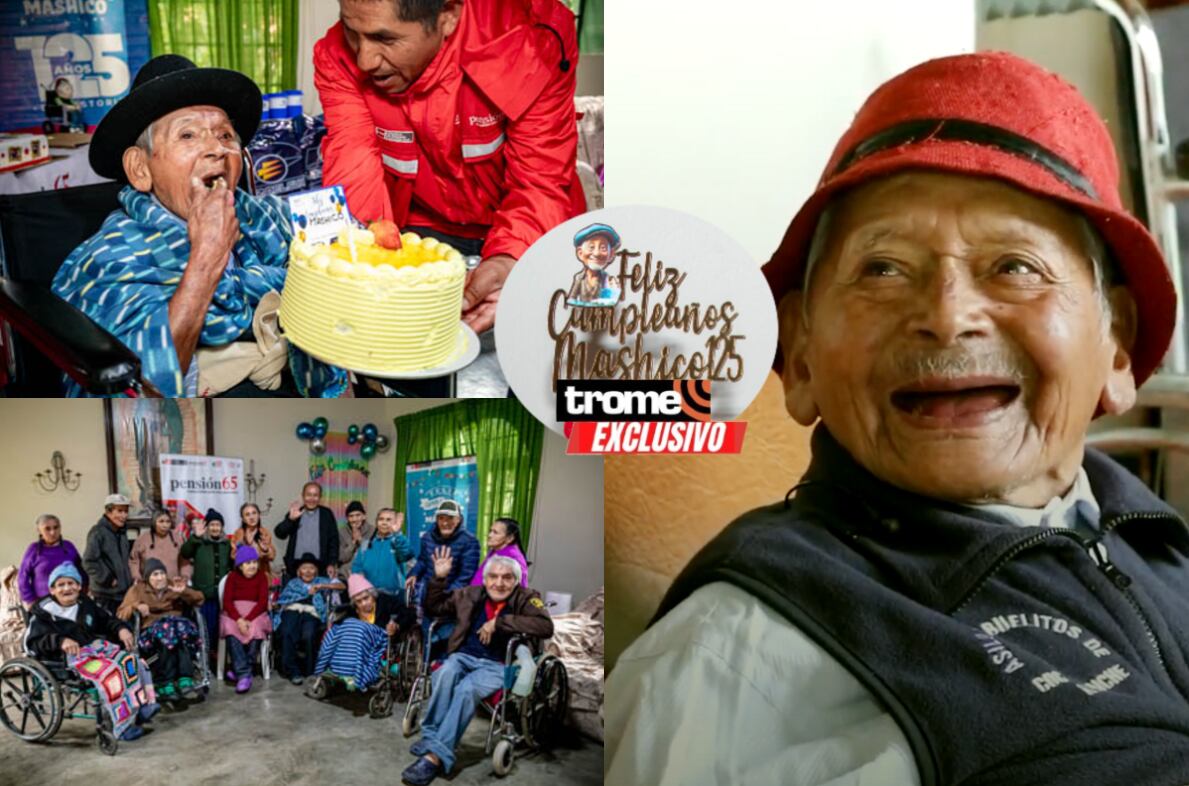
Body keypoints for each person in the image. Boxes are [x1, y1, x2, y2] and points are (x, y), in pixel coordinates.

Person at [605, 52, 1189, 784]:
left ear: (1117, 344)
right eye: (881, 269)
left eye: (1014, 266)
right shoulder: (730, 663)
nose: (947, 316)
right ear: (802, 355)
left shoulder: (1153, 540)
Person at [51, 54, 348, 397]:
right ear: (140, 169)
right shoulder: (110, 259)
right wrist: (207, 257)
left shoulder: (266, 216)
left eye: (225, 134)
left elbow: (353, 251)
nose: (216, 149)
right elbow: (135, 393)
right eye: (188, 135)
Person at [313, 0, 587, 334]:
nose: (364, 60)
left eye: (385, 39)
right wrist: (362, 266)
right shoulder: (337, 55)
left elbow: (539, 179)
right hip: (421, 231)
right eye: (351, 32)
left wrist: (510, 257)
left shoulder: (531, 39)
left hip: (530, 227)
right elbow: (353, 167)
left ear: (448, 15)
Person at [400, 550, 553, 785]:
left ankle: (435, 756)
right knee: (443, 674)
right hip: (464, 656)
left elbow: (545, 626)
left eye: (507, 577)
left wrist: (499, 623)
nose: (499, 583)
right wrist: (439, 579)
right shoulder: (470, 594)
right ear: (485, 579)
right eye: (493, 576)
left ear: (516, 580)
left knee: (467, 689)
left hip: (499, 664)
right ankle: (431, 736)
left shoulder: (526, 598)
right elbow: (435, 607)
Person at [25, 563, 161, 742]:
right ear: (52, 590)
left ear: (79, 586)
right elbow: (33, 641)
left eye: (71, 583)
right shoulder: (42, 613)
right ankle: (123, 726)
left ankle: (143, 706)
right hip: (68, 659)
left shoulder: (85, 604)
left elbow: (107, 620)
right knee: (111, 674)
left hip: (95, 649)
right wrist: (60, 641)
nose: (67, 588)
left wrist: (121, 629)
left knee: (132, 661)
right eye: (61, 585)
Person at [117, 557, 204, 701]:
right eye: (155, 574)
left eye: (162, 573)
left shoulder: (173, 585)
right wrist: (136, 606)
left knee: (178, 631)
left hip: (177, 629)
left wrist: (184, 592)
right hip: (151, 631)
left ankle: (185, 679)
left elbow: (200, 599)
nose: (160, 578)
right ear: (147, 577)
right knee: (166, 632)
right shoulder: (137, 590)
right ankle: (166, 682)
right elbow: (121, 613)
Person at [314, 573, 416, 691]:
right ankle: (340, 668)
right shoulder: (352, 611)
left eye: (366, 598)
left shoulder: (385, 601)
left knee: (359, 629)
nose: (364, 603)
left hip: (380, 640)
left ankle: (355, 673)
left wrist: (396, 625)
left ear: (372, 594)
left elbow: (409, 614)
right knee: (339, 629)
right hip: (358, 643)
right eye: (359, 601)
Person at [275, 553, 344, 685]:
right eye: (304, 568)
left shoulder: (320, 581)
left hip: (312, 612)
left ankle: (310, 671)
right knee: (287, 631)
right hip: (292, 609)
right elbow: (284, 599)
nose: (308, 571)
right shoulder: (293, 583)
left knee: (309, 634)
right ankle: (292, 671)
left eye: (311, 568)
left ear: (316, 571)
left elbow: (342, 586)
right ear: (298, 571)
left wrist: (322, 586)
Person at [178, 508, 233, 658]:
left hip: (221, 597)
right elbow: (185, 552)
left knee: (218, 628)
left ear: (222, 527)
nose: (215, 528)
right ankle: (203, 656)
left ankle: (217, 657)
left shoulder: (227, 544)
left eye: (218, 525)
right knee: (205, 628)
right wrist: (195, 537)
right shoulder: (199, 542)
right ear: (207, 527)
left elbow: (233, 564)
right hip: (203, 596)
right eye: (212, 525)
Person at [220, 546, 273, 694]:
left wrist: (248, 619)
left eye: (255, 562)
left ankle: (241, 672)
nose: (252, 566)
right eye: (248, 563)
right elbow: (227, 602)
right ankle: (244, 673)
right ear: (240, 565)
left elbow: (262, 602)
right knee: (230, 629)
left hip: (255, 613)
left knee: (256, 629)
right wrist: (239, 620)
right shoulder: (232, 577)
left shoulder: (262, 577)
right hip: (234, 613)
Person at [406, 500, 480, 600]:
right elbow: (423, 561)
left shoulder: (470, 541)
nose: (445, 523)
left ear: (458, 520)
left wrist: (445, 596)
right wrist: (414, 574)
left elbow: (466, 576)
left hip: (452, 598)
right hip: (427, 594)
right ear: (436, 520)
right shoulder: (427, 537)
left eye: (450, 518)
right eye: (441, 518)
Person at [18, 514, 87, 609]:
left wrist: (83, 592)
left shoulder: (68, 546)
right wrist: (30, 600)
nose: (52, 532)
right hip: (43, 603)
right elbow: (22, 577)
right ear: (39, 530)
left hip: (70, 602)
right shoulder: (34, 549)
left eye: (56, 527)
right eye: (47, 529)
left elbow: (82, 571)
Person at [275, 482, 340, 579]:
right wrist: (290, 520)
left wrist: (332, 563)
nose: (312, 499)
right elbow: (279, 534)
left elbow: (333, 541)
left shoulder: (326, 514)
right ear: (303, 496)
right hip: (295, 567)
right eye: (308, 495)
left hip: (320, 567)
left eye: (315, 495)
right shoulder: (296, 512)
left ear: (320, 497)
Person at [83, 493, 134, 615]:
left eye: (126, 511)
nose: (124, 515)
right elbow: (88, 562)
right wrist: (108, 579)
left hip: (122, 594)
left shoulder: (121, 532)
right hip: (105, 595)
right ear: (108, 512)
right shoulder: (97, 533)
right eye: (120, 511)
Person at [352, 507, 416, 595]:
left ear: (395, 522)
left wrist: (397, 534)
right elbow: (356, 568)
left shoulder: (398, 542)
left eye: (388, 520)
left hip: (394, 594)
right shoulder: (366, 545)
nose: (384, 523)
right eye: (381, 519)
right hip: (370, 595)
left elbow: (407, 554)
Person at [566, 223, 622, 306]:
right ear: (580, 253)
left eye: (603, 248)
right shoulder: (579, 278)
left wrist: (614, 290)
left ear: (611, 255)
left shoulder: (608, 280)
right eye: (591, 247)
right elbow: (571, 300)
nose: (596, 253)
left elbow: (612, 302)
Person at [129, 509, 189, 581]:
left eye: (168, 522)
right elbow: (134, 561)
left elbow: (185, 560)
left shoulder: (177, 538)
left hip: (172, 583)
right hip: (148, 584)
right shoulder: (143, 539)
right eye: (161, 521)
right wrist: (137, 577)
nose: (165, 525)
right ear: (154, 522)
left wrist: (185, 576)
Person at [470, 517, 528, 588]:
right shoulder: (496, 550)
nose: (490, 535)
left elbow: (518, 588)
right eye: (490, 531)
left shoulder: (512, 557)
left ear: (510, 538)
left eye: (495, 532)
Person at [229, 502, 277, 579]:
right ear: (243, 519)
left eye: (254, 513)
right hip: (243, 576)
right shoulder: (238, 534)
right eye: (247, 514)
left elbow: (272, 556)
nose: (251, 517)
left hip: (262, 575)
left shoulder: (264, 533)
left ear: (259, 515)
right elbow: (233, 556)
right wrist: (245, 551)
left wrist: (266, 550)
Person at [337, 500, 374, 576]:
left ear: (364, 516)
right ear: (347, 518)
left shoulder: (373, 531)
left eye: (358, 515)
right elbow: (342, 558)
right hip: (346, 574)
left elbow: (373, 555)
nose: (354, 519)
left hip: (368, 573)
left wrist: (360, 540)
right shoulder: (341, 532)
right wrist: (353, 542)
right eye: (351, 516)